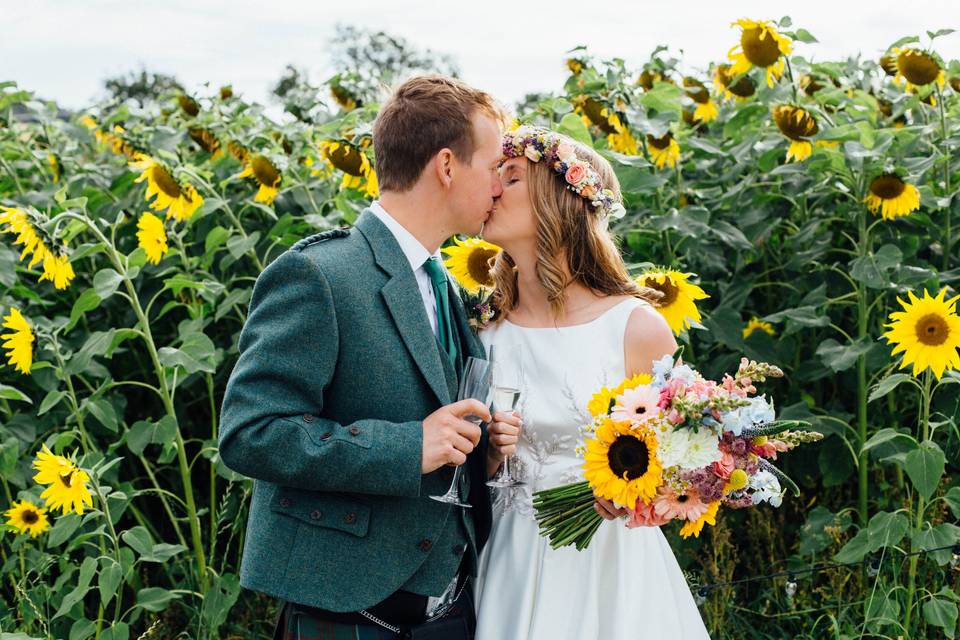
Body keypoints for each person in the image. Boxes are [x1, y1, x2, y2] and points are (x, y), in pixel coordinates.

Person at [218, 74, 515, 639]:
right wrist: (407, 446)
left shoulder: (443, 284)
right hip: (349, 613)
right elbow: (250, 432)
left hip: (450, 612)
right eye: (494, 166)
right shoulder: (319, 275)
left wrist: (481, 454)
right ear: (448, 167)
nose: (500, 185)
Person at [474, 125, 712, 639]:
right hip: (503, 560)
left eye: (510, 177)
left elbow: (688, 454)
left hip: (608, 567)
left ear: (558, 202)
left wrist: (638, 494)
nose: (491, 187)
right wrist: (489, 454)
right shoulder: (483, 328)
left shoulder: (634, 326)